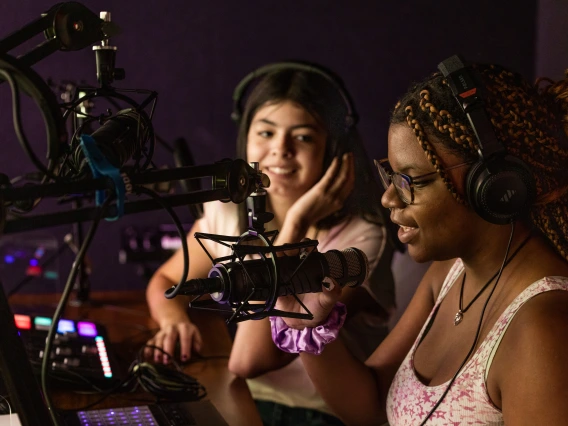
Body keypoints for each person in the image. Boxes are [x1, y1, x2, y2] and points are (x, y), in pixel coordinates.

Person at [272, 56, 568, 425]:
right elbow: (370, 404)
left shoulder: (543, 327)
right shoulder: (449, 273)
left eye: (413, 181)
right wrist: (308, 324)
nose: (388, 199)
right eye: (390, 176)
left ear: (494, 186)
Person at [145, 61, 401, 425]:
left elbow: (249, 359)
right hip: (243, 398)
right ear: (246, 136)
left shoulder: (359, 239)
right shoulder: (227, 213)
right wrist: (172, 320)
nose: (280, 149)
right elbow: (166, 282)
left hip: (320, 414)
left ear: (332, 149)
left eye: (303, 136)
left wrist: (297, 223)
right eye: (266, 133)